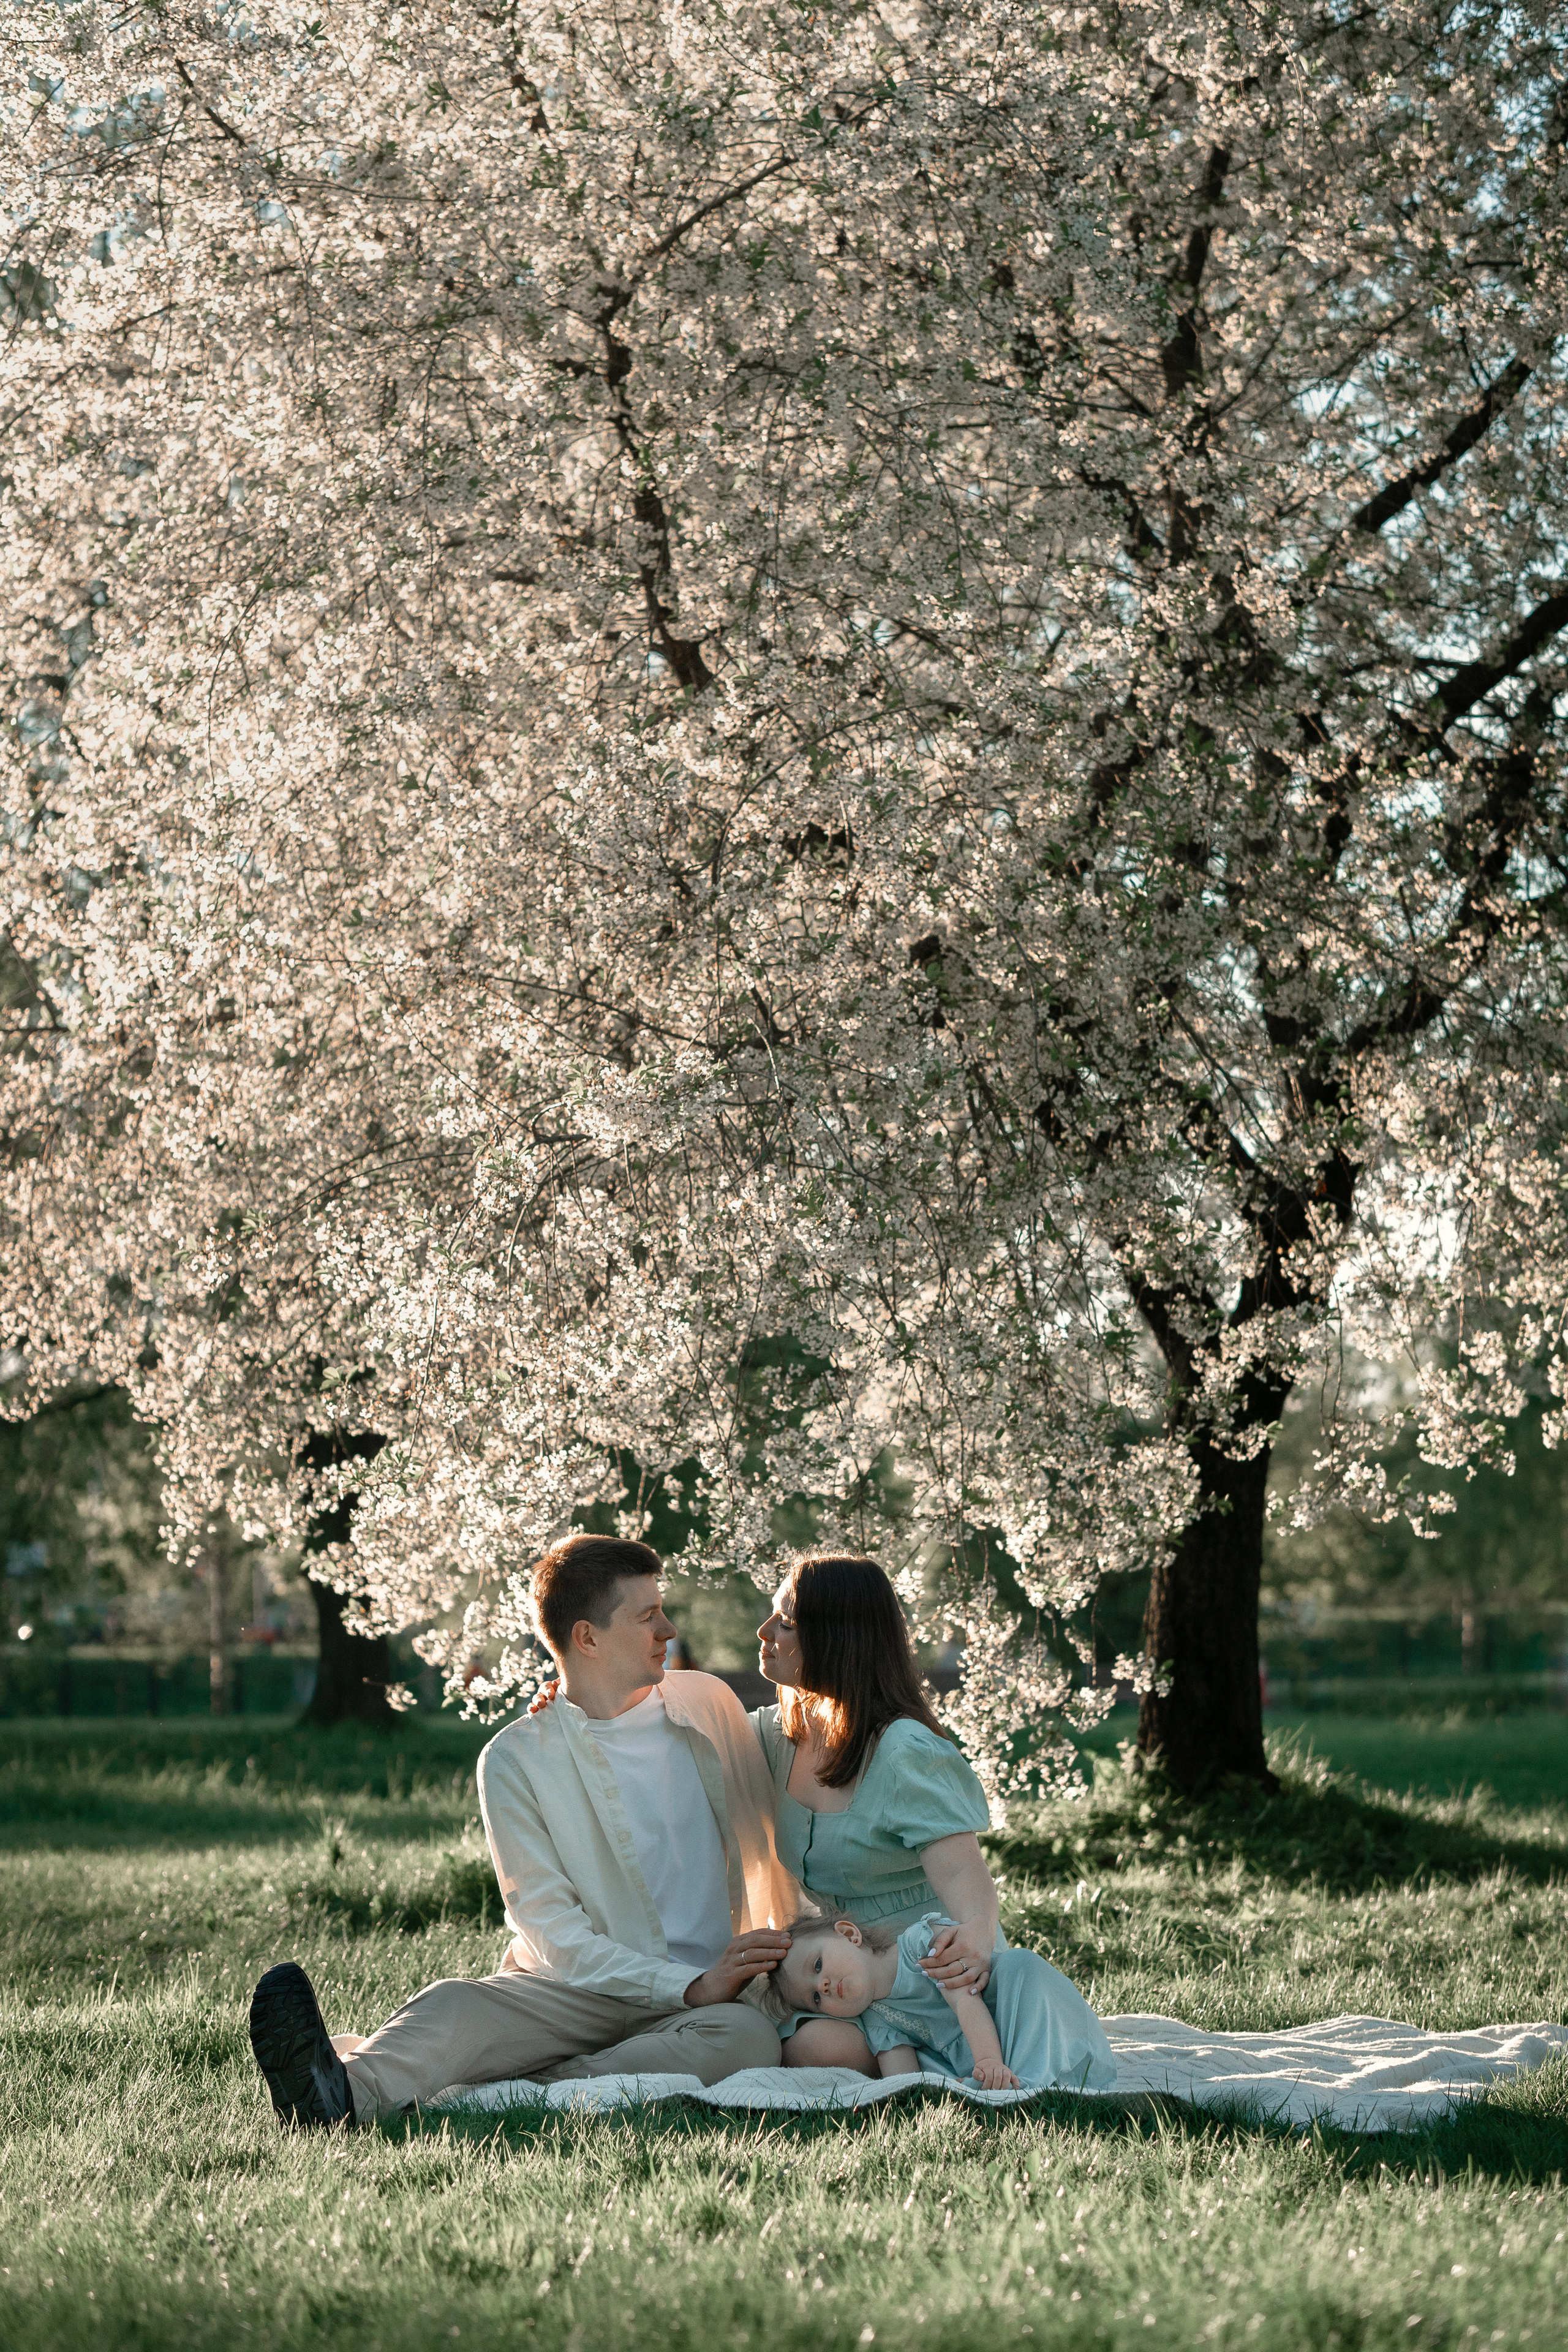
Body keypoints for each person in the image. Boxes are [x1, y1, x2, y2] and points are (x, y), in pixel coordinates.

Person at [247, 1535, 799, 2129]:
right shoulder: (515, 1758)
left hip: (709, 2003)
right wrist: (686, 1984)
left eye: (661, 1610)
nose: (668, 1629)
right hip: (574, 1991)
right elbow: (554, 1935)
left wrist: (705, 1988)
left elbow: (800, 1755)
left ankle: (520, 2085)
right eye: (647, 1616)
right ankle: (338, 2094)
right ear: (586, 1638)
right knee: (457, 2004)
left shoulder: (707, 1703)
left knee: (746, 2039)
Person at [752, 1554, 1005, 2073]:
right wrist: (573, 1695)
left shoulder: (904, 1750)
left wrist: (976, 1933)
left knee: (814, 2049)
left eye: (787, 1622)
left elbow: (962, 1874)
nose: (765, 1630)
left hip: (929, 1975)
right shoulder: (782, 1735)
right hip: (845, 1981)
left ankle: (953, 2051)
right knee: (788, 2037)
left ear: (837, 1637)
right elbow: (689, 1719)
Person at [763, 1909, 1117, 2092]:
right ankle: (1001, 2084)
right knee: (933, 2071)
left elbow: (968, 2002)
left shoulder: (920, 1946)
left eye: (819, 1965)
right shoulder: (875, 2020)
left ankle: (1024, 2080)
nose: (823, 1985)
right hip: (971, 2056)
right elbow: (903, 2081)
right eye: (813, 1998)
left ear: (849, 1934)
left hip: (1005, 2014)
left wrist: (990, 2060)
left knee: (1022, 1965)